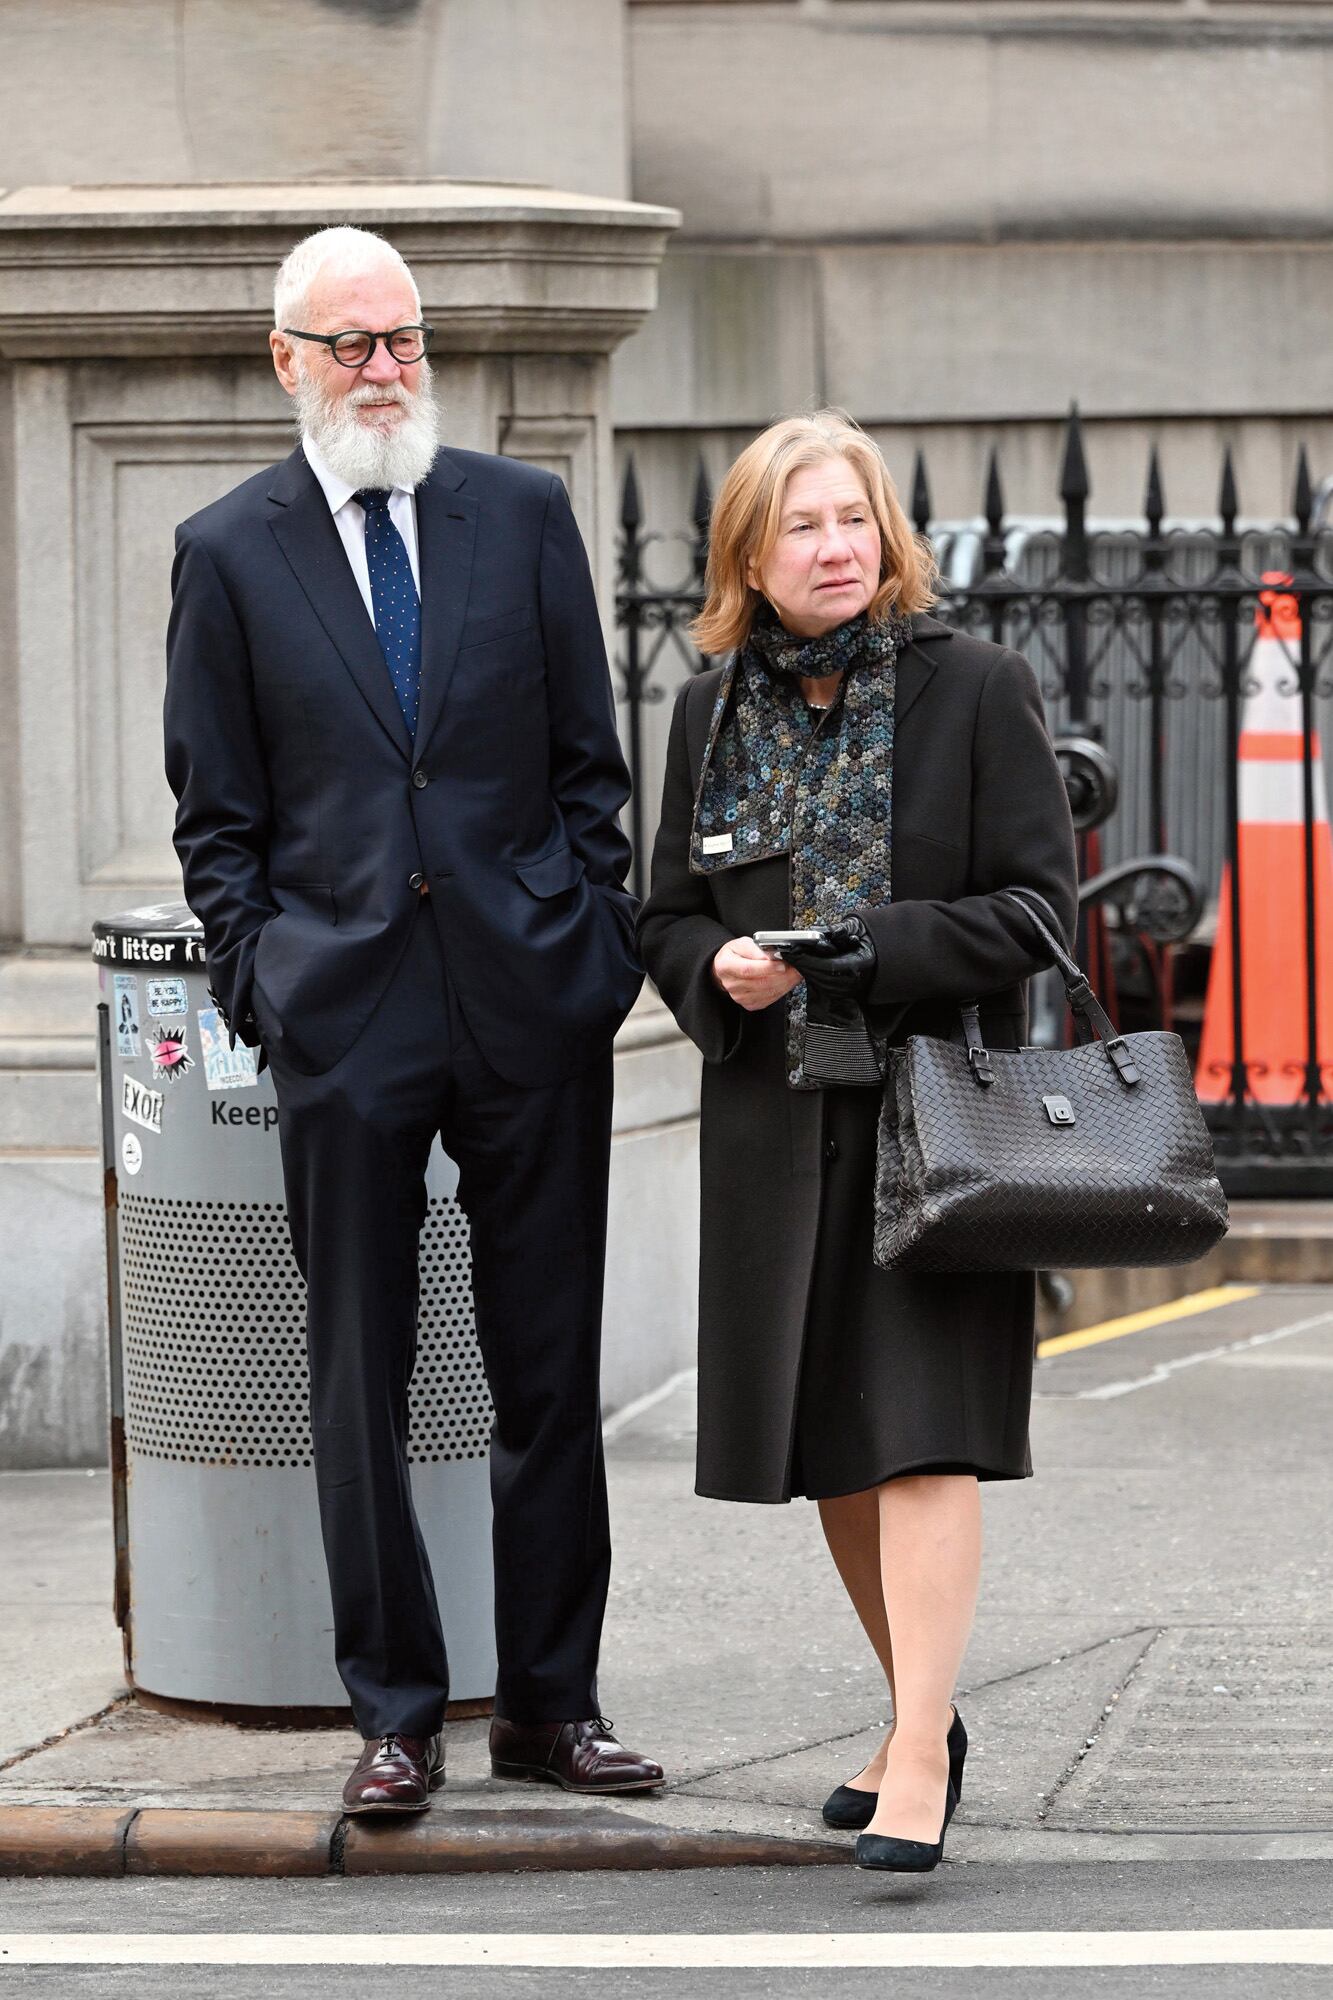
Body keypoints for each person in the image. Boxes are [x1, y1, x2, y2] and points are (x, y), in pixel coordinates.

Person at [164, 225, 662, 1812]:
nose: (386, 370)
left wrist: (590, 945)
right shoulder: (228, 550)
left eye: (404, 339)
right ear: (285, 362)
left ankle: (548, 1704)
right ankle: (393, 1709)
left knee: (545, 1372)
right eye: (352, 344)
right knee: (356, 1375)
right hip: (344, 1015)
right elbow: (216, 819)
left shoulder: (518, 513)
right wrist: (267, 980)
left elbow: (591, 766)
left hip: (529, 1000)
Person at [638, 410, 1077, 1872]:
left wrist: (849, 951)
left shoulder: (973, 689)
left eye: (852, 521)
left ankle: (913, 1761)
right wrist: (720, 972)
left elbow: (1032, 918)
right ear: (748, 559)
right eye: (800, 528)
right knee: (832, 1450)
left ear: (885, 536)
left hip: (933, 1114)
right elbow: (666, 919)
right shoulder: (709, 715)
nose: (833, 549)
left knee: (921, 1442)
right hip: (775, 1121)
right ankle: (918, 1714)